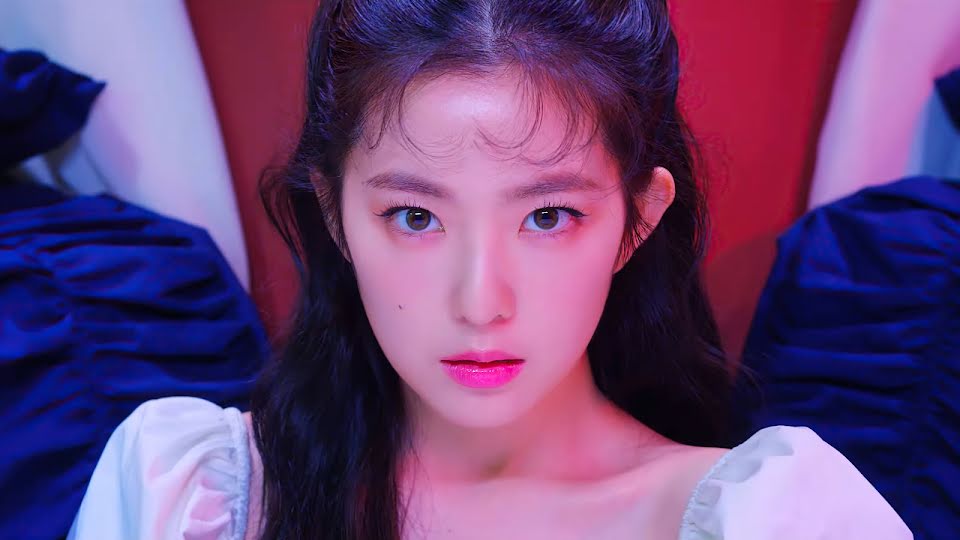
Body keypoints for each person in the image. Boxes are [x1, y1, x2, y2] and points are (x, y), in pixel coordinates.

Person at [67, 1, 913, 538]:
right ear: (335, 214)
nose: (480, 302)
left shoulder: (774, 519)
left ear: (638, 220)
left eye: (548, 216)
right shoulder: (190, 498)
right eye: (415, 217)